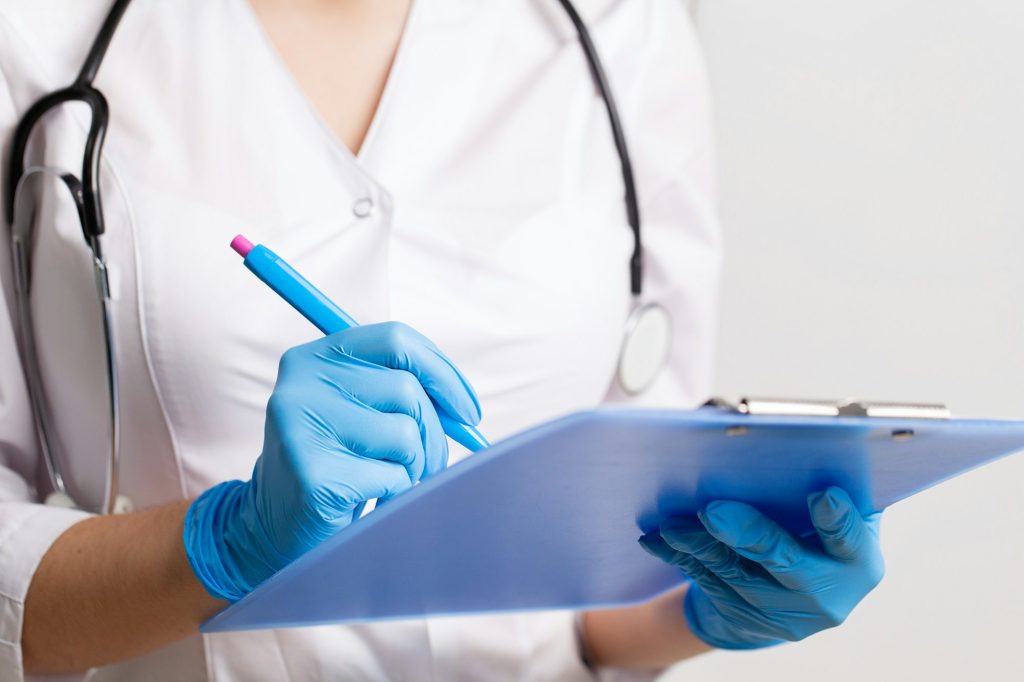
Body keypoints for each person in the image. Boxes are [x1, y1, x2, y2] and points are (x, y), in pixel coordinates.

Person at [0, 1, 885, 680]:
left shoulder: (622, 31)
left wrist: (703, 607)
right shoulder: (39, 37)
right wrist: (221, 544)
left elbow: (611, 561)